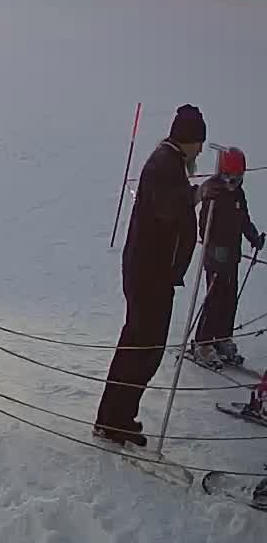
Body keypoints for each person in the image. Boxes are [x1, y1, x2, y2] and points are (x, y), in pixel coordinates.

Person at [95, 105, 205, 447]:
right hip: (148, 275)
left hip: (154, 273)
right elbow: (167, 207)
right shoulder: (163, 163)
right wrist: (198, 194)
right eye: (199, 142)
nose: (201, 150)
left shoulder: (171, 162)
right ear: (187, 140)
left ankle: (118, 417)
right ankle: (113, 420)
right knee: (141, 348)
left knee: (143, 348)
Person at [191, 146, 261, 368]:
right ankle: (202, 342)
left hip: (232, 256)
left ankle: (222, 338)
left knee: (230, 299)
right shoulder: (213, 192)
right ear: (221, 173)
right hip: (215, 257)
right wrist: (213, 244)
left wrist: (253, 237)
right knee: (214, 298)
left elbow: (243, 219)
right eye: (230, 178)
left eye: (238, 179)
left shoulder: (238, 194)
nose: (234, 184)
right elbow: (203, 227)